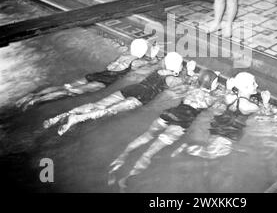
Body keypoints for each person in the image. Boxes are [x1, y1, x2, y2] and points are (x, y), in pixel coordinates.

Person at [108, 68, 222, 192]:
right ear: (212, 84)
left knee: (146, 135)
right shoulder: (211, 99)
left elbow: (183, 86)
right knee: (149, 152)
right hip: (182, 121)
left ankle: (122, 156)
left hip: (169, 113)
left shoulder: (190, 88)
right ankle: (127, 178)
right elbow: (217, 110)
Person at [43, 52, 194, 136]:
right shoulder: (172, 79)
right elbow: (186, 87)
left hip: (131, 89)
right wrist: (189, 72)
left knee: (97, 105)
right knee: (109, 111)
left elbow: (156, 64)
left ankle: (58, 117)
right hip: (140, 97)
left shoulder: (158, 70)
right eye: (181, 64)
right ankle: (76, 118)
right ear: (177, 66)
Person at [15, 39, 159, 111]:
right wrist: (153, 55)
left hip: (96, 75)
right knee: (69, 92)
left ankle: (33, 95)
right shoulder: (136, 62)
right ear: (142, 52)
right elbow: (152, 64)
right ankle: (37, 101)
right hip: (102, 82)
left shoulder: (125, 53)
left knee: (66, 86)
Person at [173, 72, 271, 159]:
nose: (257, 85)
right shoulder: (251, 106)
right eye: (254, 83)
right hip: (230, 132)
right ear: (245, 88)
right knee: (212, 155)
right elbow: (265, 117)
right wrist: (266, 102)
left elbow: (225, 97)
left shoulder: (230, 97)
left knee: (211, 150)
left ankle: (185, 147)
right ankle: (187, 150)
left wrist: (229, 88)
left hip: (218, 126)